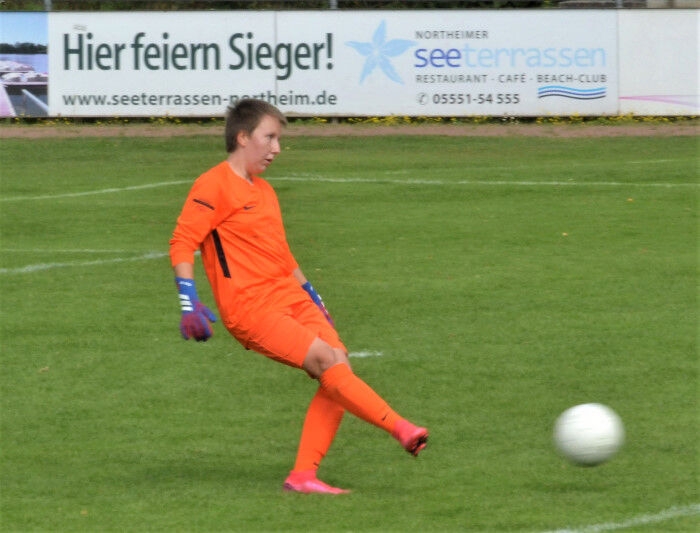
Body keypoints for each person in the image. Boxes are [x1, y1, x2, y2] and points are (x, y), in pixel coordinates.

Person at [169, 98, 428, 494]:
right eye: (269, 137)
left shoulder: (265, 191)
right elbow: (182, 243)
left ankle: (303, 476)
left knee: (339, 367)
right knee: (327, 361)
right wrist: (188, 302)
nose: (276, 148)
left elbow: (283, 256)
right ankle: (401, 428)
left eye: (278, 139)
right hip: (251, 308)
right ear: (243, 137)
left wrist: (315, 298)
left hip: (290, 297)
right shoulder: (213, 184)